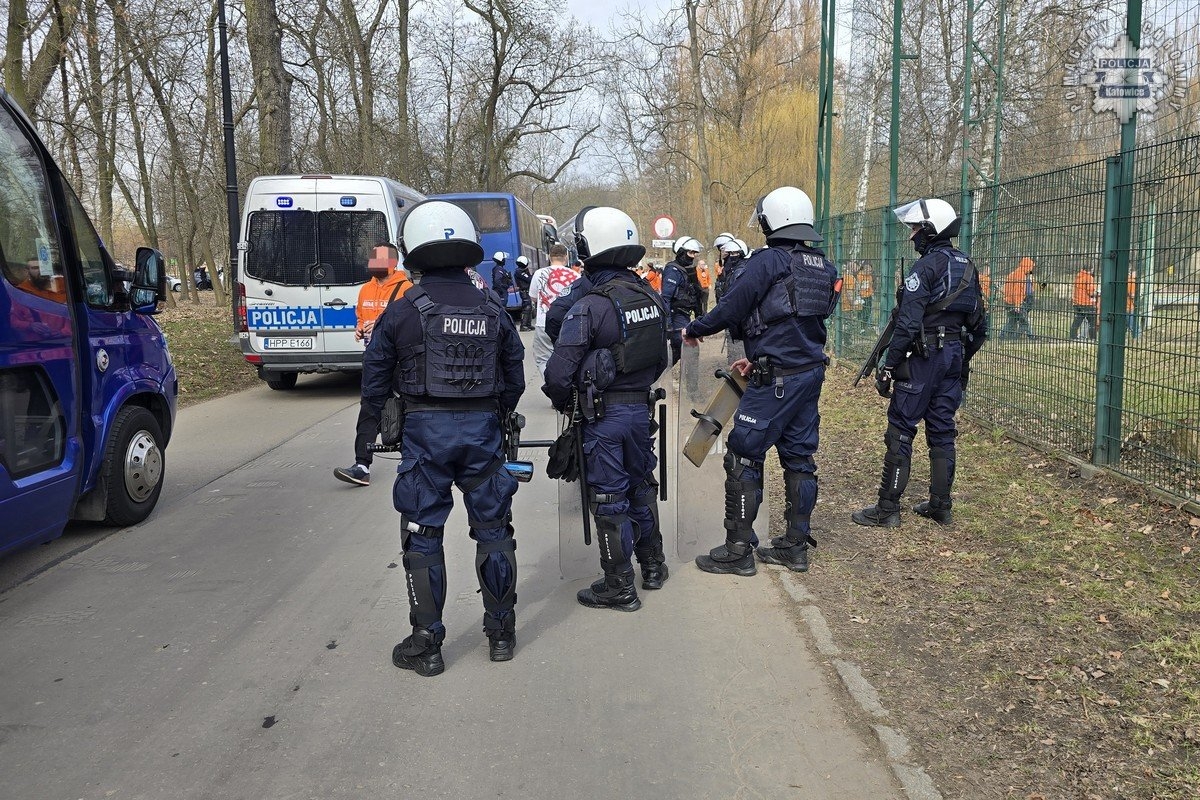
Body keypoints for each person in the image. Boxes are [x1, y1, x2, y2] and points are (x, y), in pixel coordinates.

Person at [361, 200, 526, 676]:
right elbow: (513, 372)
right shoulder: (493, 307)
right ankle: (501, 636)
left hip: (424, 434)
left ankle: (427, 645)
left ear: (413, 249)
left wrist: (373, 433)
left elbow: (374, 379)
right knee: (495, 532)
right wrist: (499, 412)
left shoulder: (402, 309)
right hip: (483, 432)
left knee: (422, 534)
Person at [682, 186, 839, 575]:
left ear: (774, 220)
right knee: (800, 457)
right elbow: (798, 321)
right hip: (808, 373)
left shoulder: (768, 261)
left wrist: (695, 327)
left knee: (742, 454)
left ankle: (738, 551)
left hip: (776, 381)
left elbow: (733, 305)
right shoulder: (823, 265)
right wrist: (764, 353)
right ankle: (794, 547)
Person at [542, 206, 669, 610]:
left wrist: (569, 400)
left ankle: (619, 586)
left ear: (589, 247)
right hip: (639, 412)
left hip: (604, 417)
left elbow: (558, 373)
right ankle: (653, 566)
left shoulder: (591, 305)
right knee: (641, 487)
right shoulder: (650, 294)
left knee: (610, 498)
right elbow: (662, 358)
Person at [852, 197, 987, 528]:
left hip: (923, 358)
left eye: (915, 228)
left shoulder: (925, 267)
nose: (911, 235)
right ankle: (941, 506)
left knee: (900, 427)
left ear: (930, 230)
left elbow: (907, 324)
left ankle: (887, 509)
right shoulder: (967, 265)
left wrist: (888, 366)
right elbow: (980, 328)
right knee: (943, 429)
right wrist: (957, 358)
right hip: (953, 357)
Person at [334, 244, 414, 486]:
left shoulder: (406, 290)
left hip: (401, 361)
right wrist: (360, 329)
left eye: (378, 258)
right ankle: (361, 465)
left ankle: (413, 461)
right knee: (369, 407)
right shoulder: (365, 289)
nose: (373, 263)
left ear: (391, 262)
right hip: (374, 359)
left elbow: (411, 327)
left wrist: (382, 327)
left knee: (409, 408)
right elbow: (361, 317)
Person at [528, 244, 579, 376]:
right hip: (569, 323)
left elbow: (533, 297)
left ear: (550, 257)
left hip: (543, 323)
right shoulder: (575, 275)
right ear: (566, 257)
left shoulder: (539, 274)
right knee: (569, 358)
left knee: (543, 359)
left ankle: (551, 385)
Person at [661, 236, 704, 364]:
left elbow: (696, 294)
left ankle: (683, 378)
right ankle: (665, 377)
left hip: (685, 314)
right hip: (675, 315)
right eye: (690, 253)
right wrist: (668, 323)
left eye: (695, 253)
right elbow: (666, 298)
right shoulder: (672, 270)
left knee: (687, 349)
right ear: (681, 252)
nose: (693, 256)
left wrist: (699, 317)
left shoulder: (689, 270)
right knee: (680, 347)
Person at [1000, 257, 1037, 340]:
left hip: (1009, 301)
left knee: (1012, 321)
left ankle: (1003, 336)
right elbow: (1017, 292)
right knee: (1024, 321)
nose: (1031, 269)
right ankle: (1023, 337)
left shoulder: (1016, 272)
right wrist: (1017, 305)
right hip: (1014, 302)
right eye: (1031, 267)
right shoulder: (1020, 275)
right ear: (1027, 266)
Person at [1070, 263, 1098, 341]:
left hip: (1077, 303)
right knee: (1092, 321)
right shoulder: (1089, 277)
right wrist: (1096, 293)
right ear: (1090, 269)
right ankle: (1093, 338)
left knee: (1077, 321)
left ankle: (1073, 337)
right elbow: (1090, 292)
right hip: (1087, 303)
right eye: (1092, 269)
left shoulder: (1078, 276)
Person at [514, 254, 534, 331]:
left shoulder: (522, 271)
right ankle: (523, 325)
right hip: (524, 291)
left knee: (529, 307)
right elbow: (529, 279)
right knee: (526, 308)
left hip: (526, 291)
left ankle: (528, 324)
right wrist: (533, 275)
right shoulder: (519, 272)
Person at [857, 262, 875, 329]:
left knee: (868, 312)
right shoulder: (859, 276)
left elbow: (870, 286)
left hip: (868, 296)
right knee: (862, 313)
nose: (870, 272)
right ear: (865, 269)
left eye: (871, 270)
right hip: (861, 297)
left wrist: (872, 294)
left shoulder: (869, 277)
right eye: (869, 270)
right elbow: (858, 287)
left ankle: (864, 327)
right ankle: (861, 327)